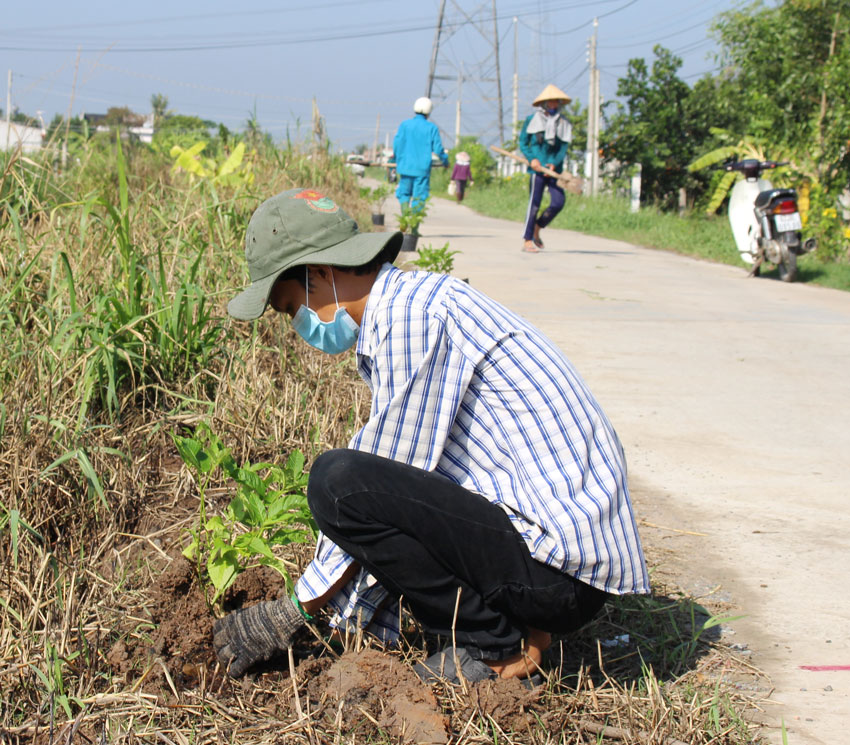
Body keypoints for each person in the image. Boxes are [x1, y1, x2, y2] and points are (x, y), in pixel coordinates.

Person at [214, 187, 649, 683]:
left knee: (336, 481)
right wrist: (339, 614)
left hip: (558, 574)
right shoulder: (413, 305)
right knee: (357, 483)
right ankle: (521, 628)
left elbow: (370, 488)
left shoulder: (411, 318)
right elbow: (411, 508)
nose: (299, 326)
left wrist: (298, 609)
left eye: (291, 308)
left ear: (318, 274)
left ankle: (498, 647)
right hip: (555, 562)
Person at [519, 84, 573, 253]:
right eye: (549, 103)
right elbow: (523, 142)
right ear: (544, 104)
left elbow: (563, 148)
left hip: (554, 170)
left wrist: (553, 163)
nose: (552, 106)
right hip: (537, 169)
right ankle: (527, 239)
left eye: (555, 103)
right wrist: (532, 159)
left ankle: (538, 226)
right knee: (534, 204)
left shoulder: (564, 123)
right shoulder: (532, 120)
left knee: (558, 202)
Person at [393, 97, 448, 213]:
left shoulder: (405, 125)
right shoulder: (431, 128)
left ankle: (404, 218)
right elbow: (438, 149)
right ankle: (414, 228)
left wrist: (398, 160)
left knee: (404, 193)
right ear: (429, 111)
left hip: (405, 167)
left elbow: (397, 145)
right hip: (422, 169)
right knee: (419, 197)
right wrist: (445, 161)